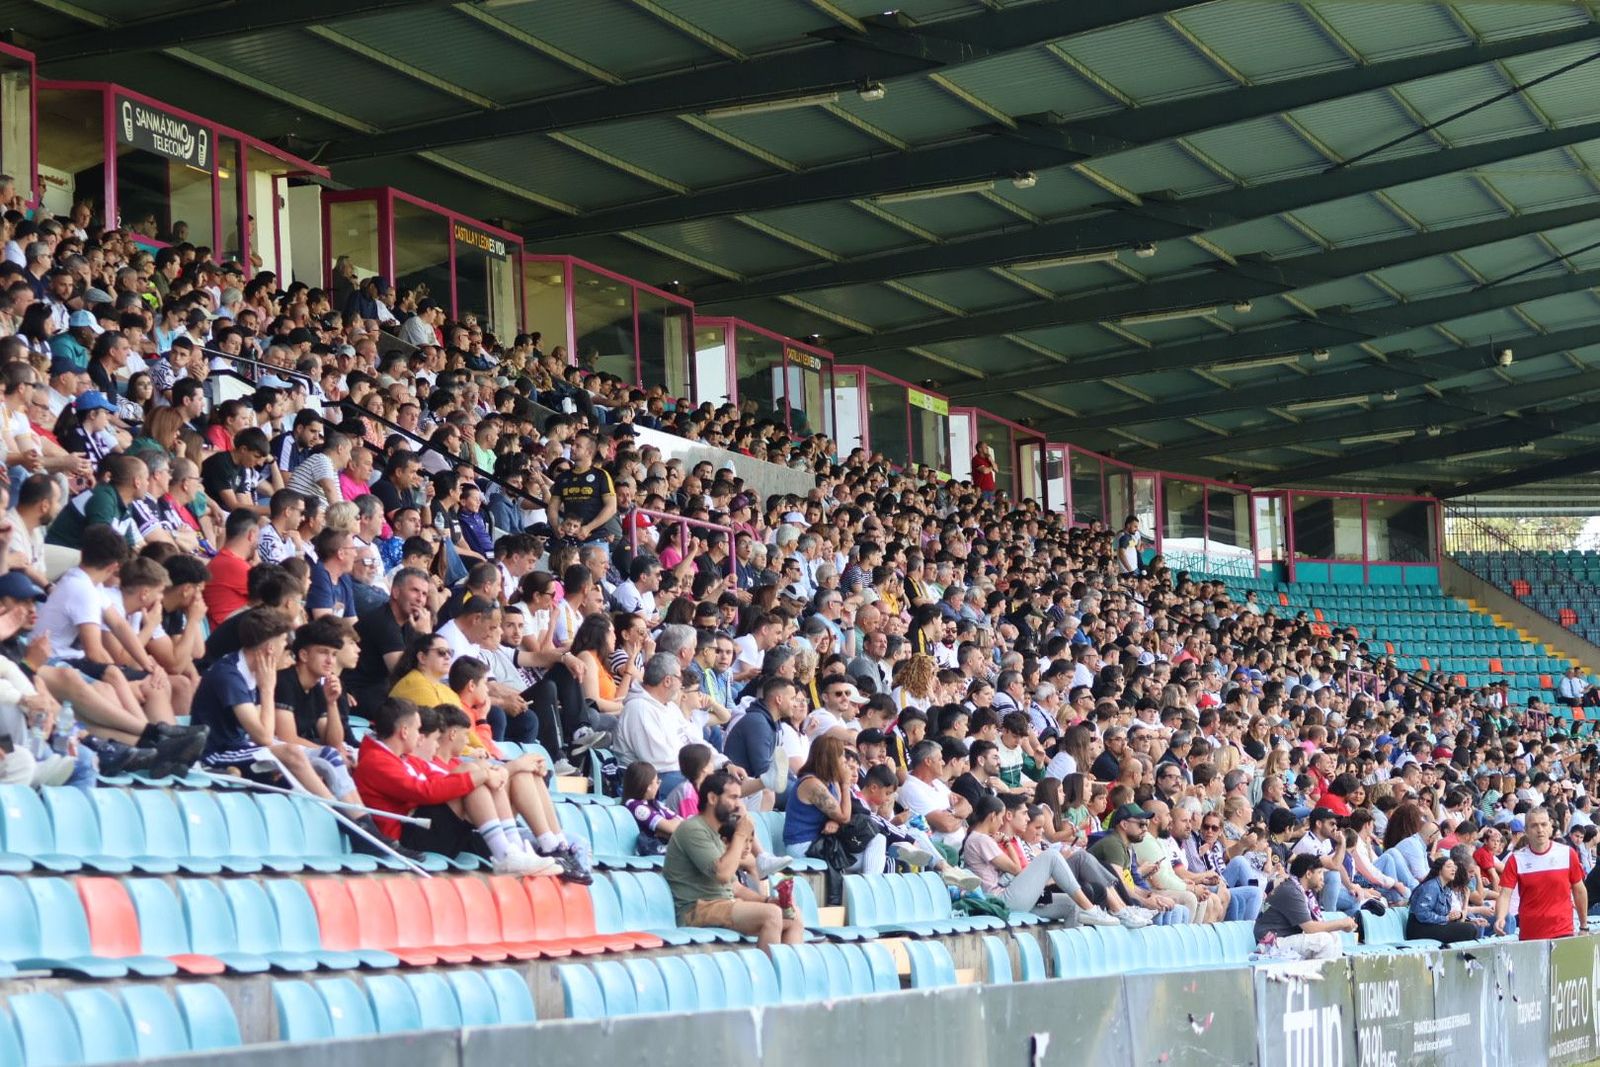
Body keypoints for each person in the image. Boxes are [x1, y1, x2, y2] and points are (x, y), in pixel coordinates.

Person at [352, 698, 554, 874]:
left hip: (419, 828)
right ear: (405, 732)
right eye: (417, 729)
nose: (419, 735)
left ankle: (517, 849)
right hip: (404, 841)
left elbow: (436, 782)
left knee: (473, 772)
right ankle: (505, 854)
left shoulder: (395, 757)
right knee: (470, 774)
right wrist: (484, 775)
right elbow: (425, 791)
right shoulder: (377, 761)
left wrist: (485, 773)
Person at [663, 770, 805, 951]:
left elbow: (735, 887)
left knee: (794, 916)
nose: (738, 805)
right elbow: (722, 874)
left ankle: (787, 968)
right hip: (696, 909)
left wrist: (767, 900)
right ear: (712, 798)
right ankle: (769, 969)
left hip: (724, 904)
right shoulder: (693, 829)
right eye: (733, 798)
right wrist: (740, 834)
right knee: (772, 915)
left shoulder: (716, 832)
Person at [960, 794, 1123, 925]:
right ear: (992, 816)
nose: (1002, 822)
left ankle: (1073, 949)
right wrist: (1007, 843)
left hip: (1008, 897)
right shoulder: (980, 839)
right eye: (1001, 817)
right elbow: (1016, 869)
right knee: (1052, 856)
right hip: (999, 899)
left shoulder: (981, 839)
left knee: (1073, 905)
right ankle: (1090, 909)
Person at [1495, 807, 1588, 941]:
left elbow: (1579, 890)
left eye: (1544, 824)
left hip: (1563, 931)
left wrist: (1584, 925)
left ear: (1550, 827)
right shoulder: (1516, 859)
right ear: (1526, 830)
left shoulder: (1567, 853)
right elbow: (1505, 894)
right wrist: (1500, 917)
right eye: (1534, 825)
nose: (1540, 829)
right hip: (1530, 934)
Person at [1253, 853, 1358, 961]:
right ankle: (1319, 972)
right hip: (1268, 943)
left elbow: (1314, 926)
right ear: (1308, 874)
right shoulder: (1292, 891)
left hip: (1281, 939)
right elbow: (1310, 928)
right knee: (1324, 941)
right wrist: (1342, 923)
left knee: (1334, 936)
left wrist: (1341, 925)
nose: (1322, 878)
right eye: (1319, 872)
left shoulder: (1301, 891)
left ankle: (1327, 971)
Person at [1406, 855, 1484, 946]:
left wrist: (1455, 916)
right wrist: (1445, 918)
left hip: (1432, 925)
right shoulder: (1431, 887)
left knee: (1470, 927)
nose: (1453, 869)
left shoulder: (1446, 889)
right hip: (1419, 929)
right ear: (1440, 870)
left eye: (1454, 867)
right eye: (1449, 866)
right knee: (1469, 929)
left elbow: (1443, 914)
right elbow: (1422, 914)